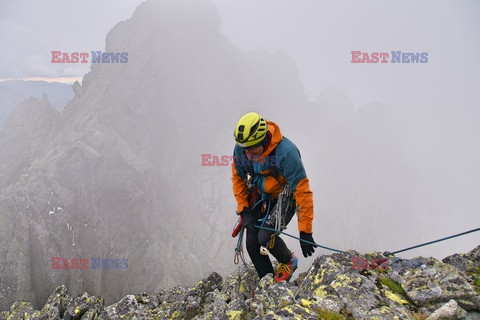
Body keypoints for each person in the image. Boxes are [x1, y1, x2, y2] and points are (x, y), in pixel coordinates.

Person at [232, 112, 317, 282]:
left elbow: (301, 191)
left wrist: (305, 231)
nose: (247, 155)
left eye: (251, 149)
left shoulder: (287, 153)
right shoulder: (242, 148)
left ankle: (288, 260)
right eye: (244, 150)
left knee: (264, 237)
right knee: (252, 243)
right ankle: (267, 284)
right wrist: (244, 210)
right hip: (262, 195)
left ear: (263, 141)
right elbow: (238, 178)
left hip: (286, 197)